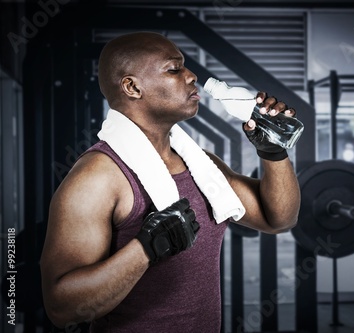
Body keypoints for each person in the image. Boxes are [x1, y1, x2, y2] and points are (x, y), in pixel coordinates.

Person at [40, 31, 301, 332]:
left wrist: (272, 152)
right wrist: (145, 250)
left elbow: (279, 218)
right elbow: (62, 308)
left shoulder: (200, 164)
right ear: (132, 87)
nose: (191, 77)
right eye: (174, 69)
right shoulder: (98, 177)